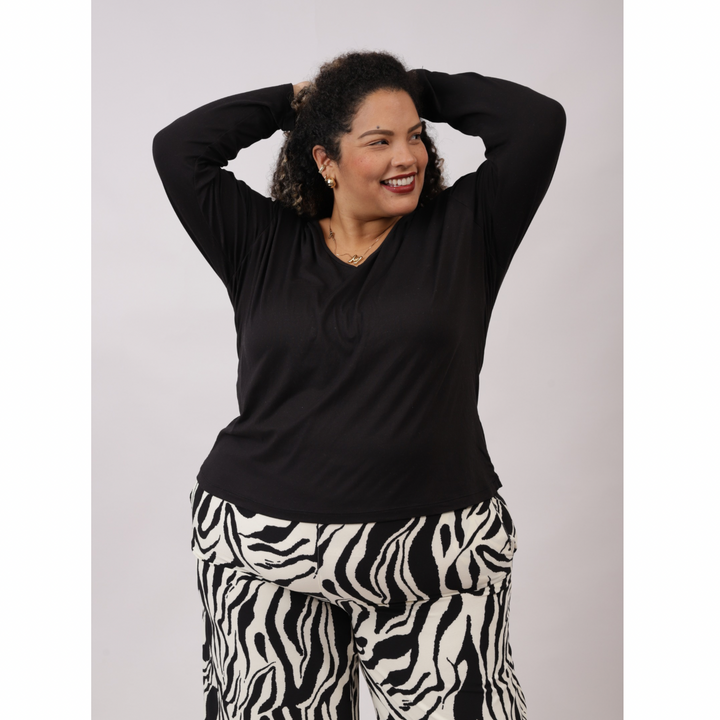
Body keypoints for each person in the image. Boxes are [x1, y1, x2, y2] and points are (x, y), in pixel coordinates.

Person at [153, 50, 565, 720]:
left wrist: (407, 88)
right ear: (326, 160)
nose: (407, 157)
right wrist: (299, 99)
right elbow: (179, 150)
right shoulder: (261, 243)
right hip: (265, 549)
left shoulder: (467, 230)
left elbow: (537, 122)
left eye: (415, 136)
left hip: (433, 551)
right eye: (378, 141)